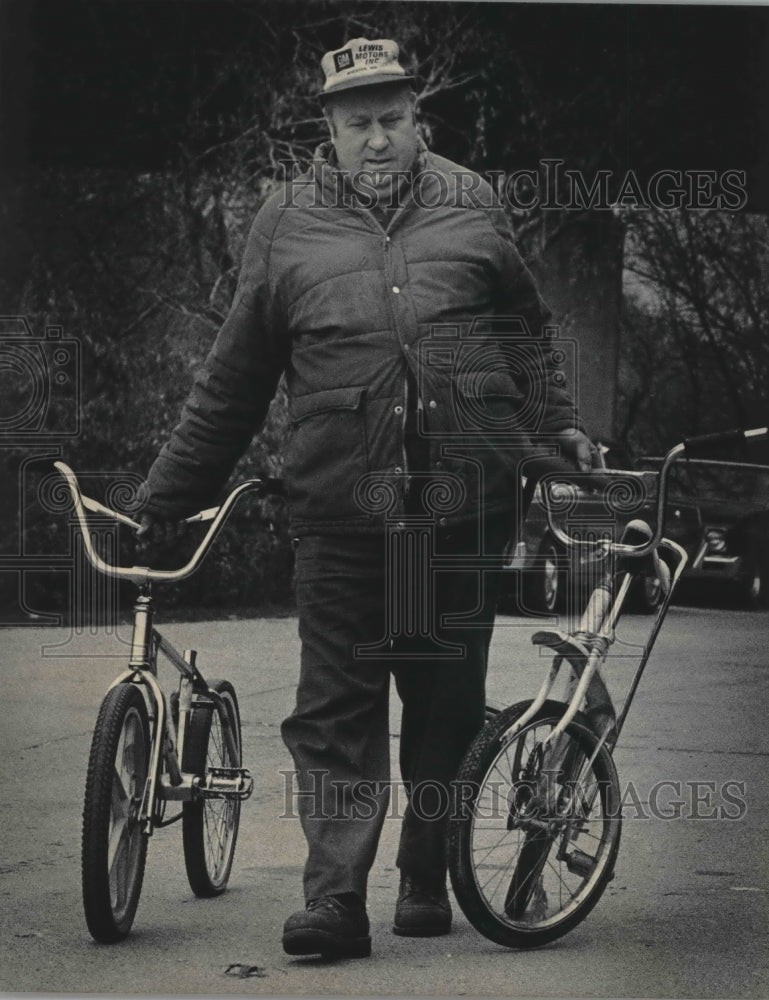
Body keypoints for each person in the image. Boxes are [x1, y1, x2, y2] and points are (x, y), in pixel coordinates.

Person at [138, 37, 594, 959]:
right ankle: (335, 902)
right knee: (335, 706)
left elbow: (523, 332)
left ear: (418, 119)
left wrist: (557, 425)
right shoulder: (284, 220)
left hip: (461, 505)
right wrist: (170, 496)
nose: (378, 140)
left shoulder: (471, 200)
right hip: (339, 507)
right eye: (359, 125)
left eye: (393, 120)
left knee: (444, 702)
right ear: (330, 132)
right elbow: (236, 374)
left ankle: (428, 873)